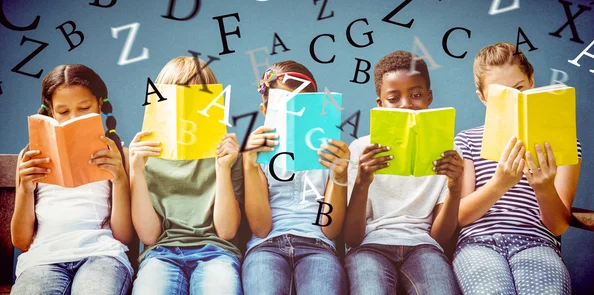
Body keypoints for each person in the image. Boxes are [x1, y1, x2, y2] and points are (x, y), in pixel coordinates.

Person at [453, 42, 582, 295]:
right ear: (482, 98)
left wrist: (543, 187)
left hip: (537, 243)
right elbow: (461, 216)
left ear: (532, 82)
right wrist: (499, 183)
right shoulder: (466, 141)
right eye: (500, 94)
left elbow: (557, 226)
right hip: (478, 244)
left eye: (519, 88)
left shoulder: (565, 143)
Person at [344, 50, 462, 295]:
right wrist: (362, 183)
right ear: (381, 105)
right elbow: (352, 238)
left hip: (423, 247)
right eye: (394, 98)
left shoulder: (449, 153)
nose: (407, 104)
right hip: (370, 247)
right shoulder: (361, 149)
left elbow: (439, 238)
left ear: (429, 98)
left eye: (416, 95)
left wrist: (455, 188)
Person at [11, 64, 133, 295]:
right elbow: (22, 241)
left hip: (103, 255)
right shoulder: (30, 158)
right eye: (63, 112)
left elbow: (124, 236)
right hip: (43, 259)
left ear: (100, 104)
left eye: (84, 108)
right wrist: (25, 189)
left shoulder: (119, 155)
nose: (73, 118)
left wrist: (119, 179)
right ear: (49, 112)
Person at [130, 56, 244, 295]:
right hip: (161, 254)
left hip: (217, 251)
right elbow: (149, 235)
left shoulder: (226, 153)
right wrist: (137, 172)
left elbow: (227, 232)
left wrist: (223, 168)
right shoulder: (146, 155)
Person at [242, 60, 349, 295]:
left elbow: (329, 231)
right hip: (266, 246)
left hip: (318, 246)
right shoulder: (256, 154)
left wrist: (340, 175)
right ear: (265, 111)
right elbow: (260, 228)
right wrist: (249, 164)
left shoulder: (330, 153)